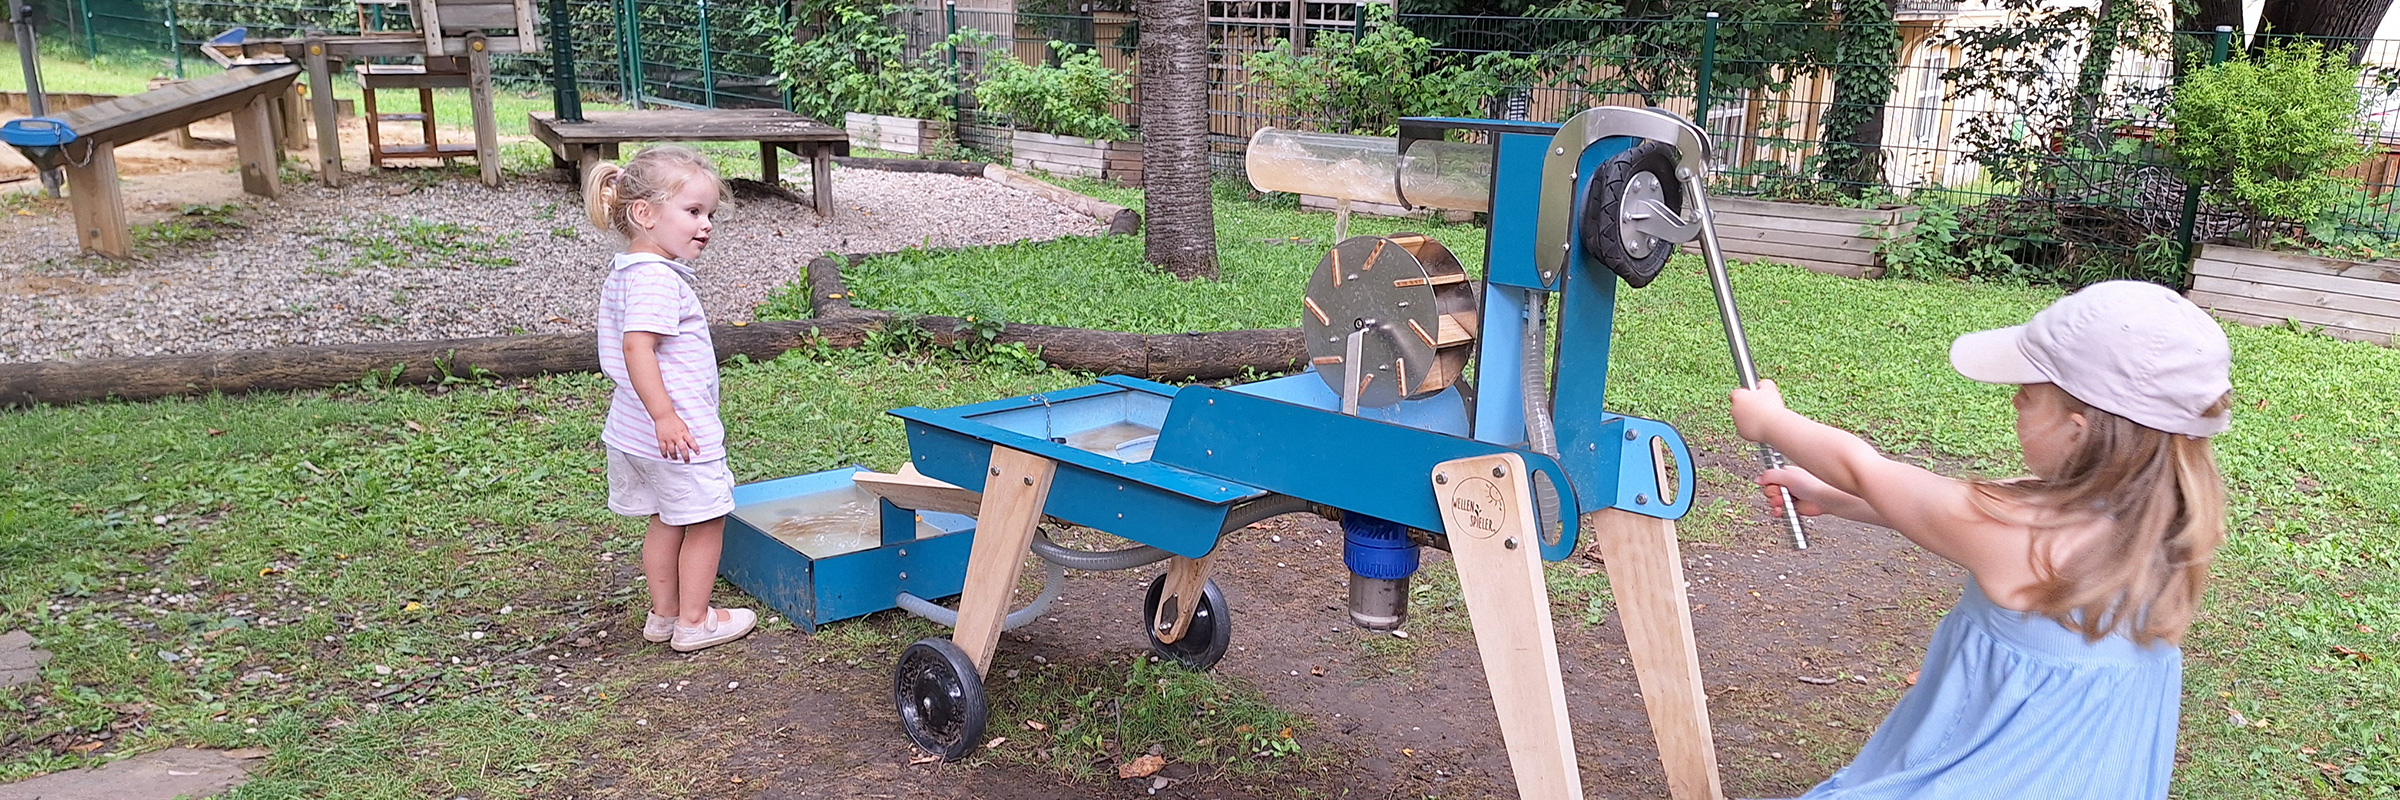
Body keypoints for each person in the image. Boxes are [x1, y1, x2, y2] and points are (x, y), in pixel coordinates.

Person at [1729, 280, 2233, 799]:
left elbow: (1865, 471)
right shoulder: (2161, 518)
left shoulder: (2027, 533)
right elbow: (1929, 511)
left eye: (2030, 394)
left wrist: (1772, 422)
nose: (2015, 399)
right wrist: (1832, 500)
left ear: (2078, 431)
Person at [587, 146, 756, 653]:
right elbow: (638, 345)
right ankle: (695, 622)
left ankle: (663, 616)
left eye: (709, 214)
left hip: (633, 431)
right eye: (693, 212)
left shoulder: (628, 272)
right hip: (675, 431)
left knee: (667, 517)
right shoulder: (657, 280)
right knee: (706, 520)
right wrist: (666, 415)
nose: (705, 225)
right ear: (645, 213)